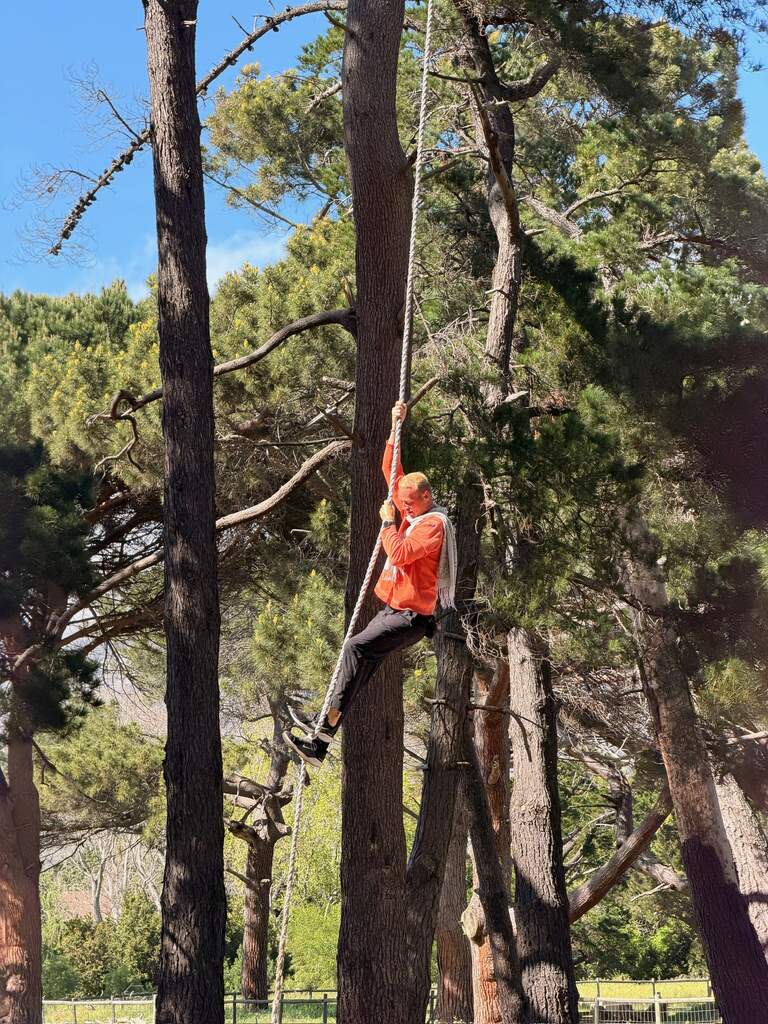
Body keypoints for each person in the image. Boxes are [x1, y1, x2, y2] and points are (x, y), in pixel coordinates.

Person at [284, 399, 457, 767]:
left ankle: (321, 736)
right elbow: (391, 471)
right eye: (404, 505)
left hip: (411, 618)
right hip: (393, 611)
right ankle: (320, 741)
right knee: (357, 667)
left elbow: (401, 553)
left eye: (410, 504)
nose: (405, 508)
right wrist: (396, 427)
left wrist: (389, 523)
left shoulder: (432, 526)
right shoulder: (414, 512)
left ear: (426, 497)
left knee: (355, 649)